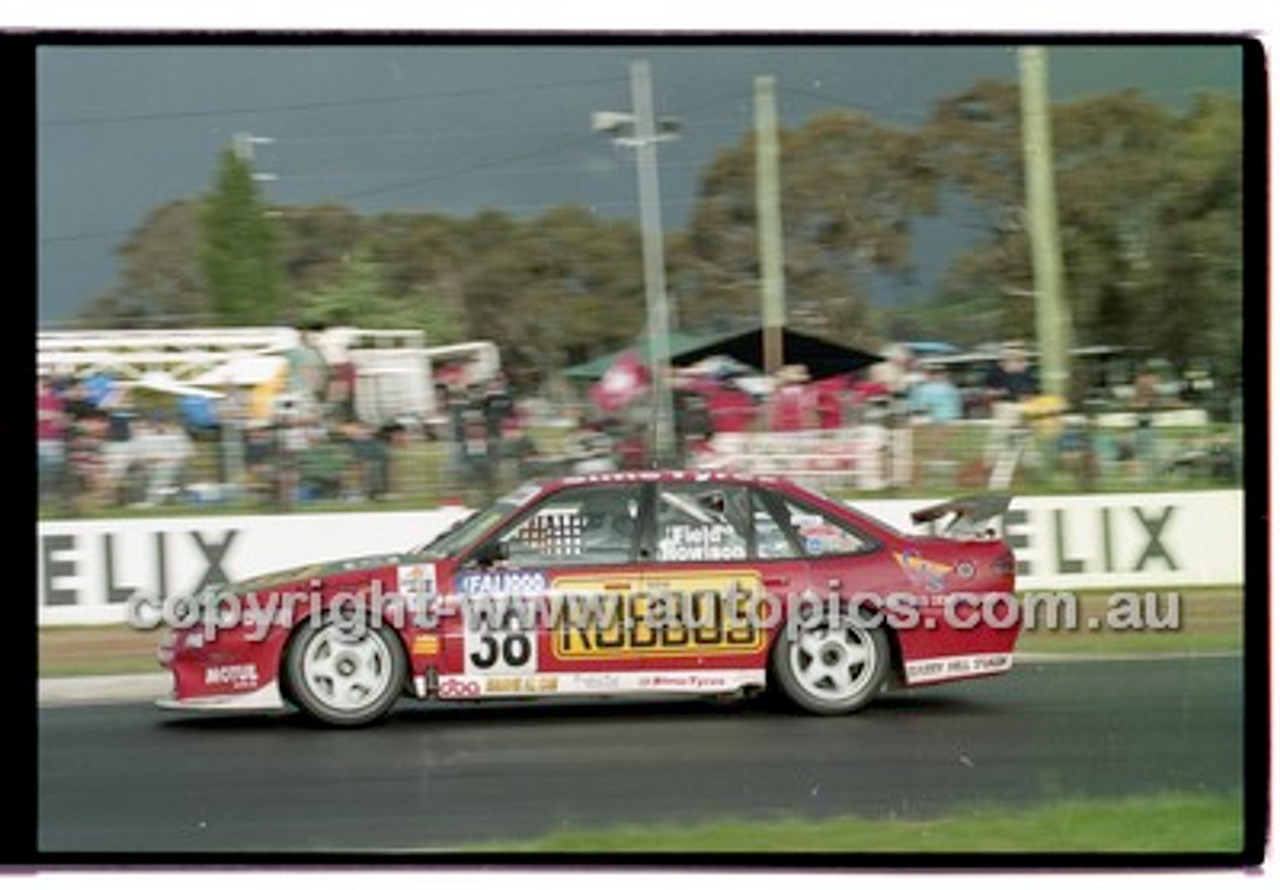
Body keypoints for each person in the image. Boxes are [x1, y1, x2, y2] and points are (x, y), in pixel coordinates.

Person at [767, 365, 815, 432]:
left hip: (782, 425)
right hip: (801, 424)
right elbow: (810, 407)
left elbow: (773, 409)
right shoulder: (807, 391)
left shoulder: (777, 392)